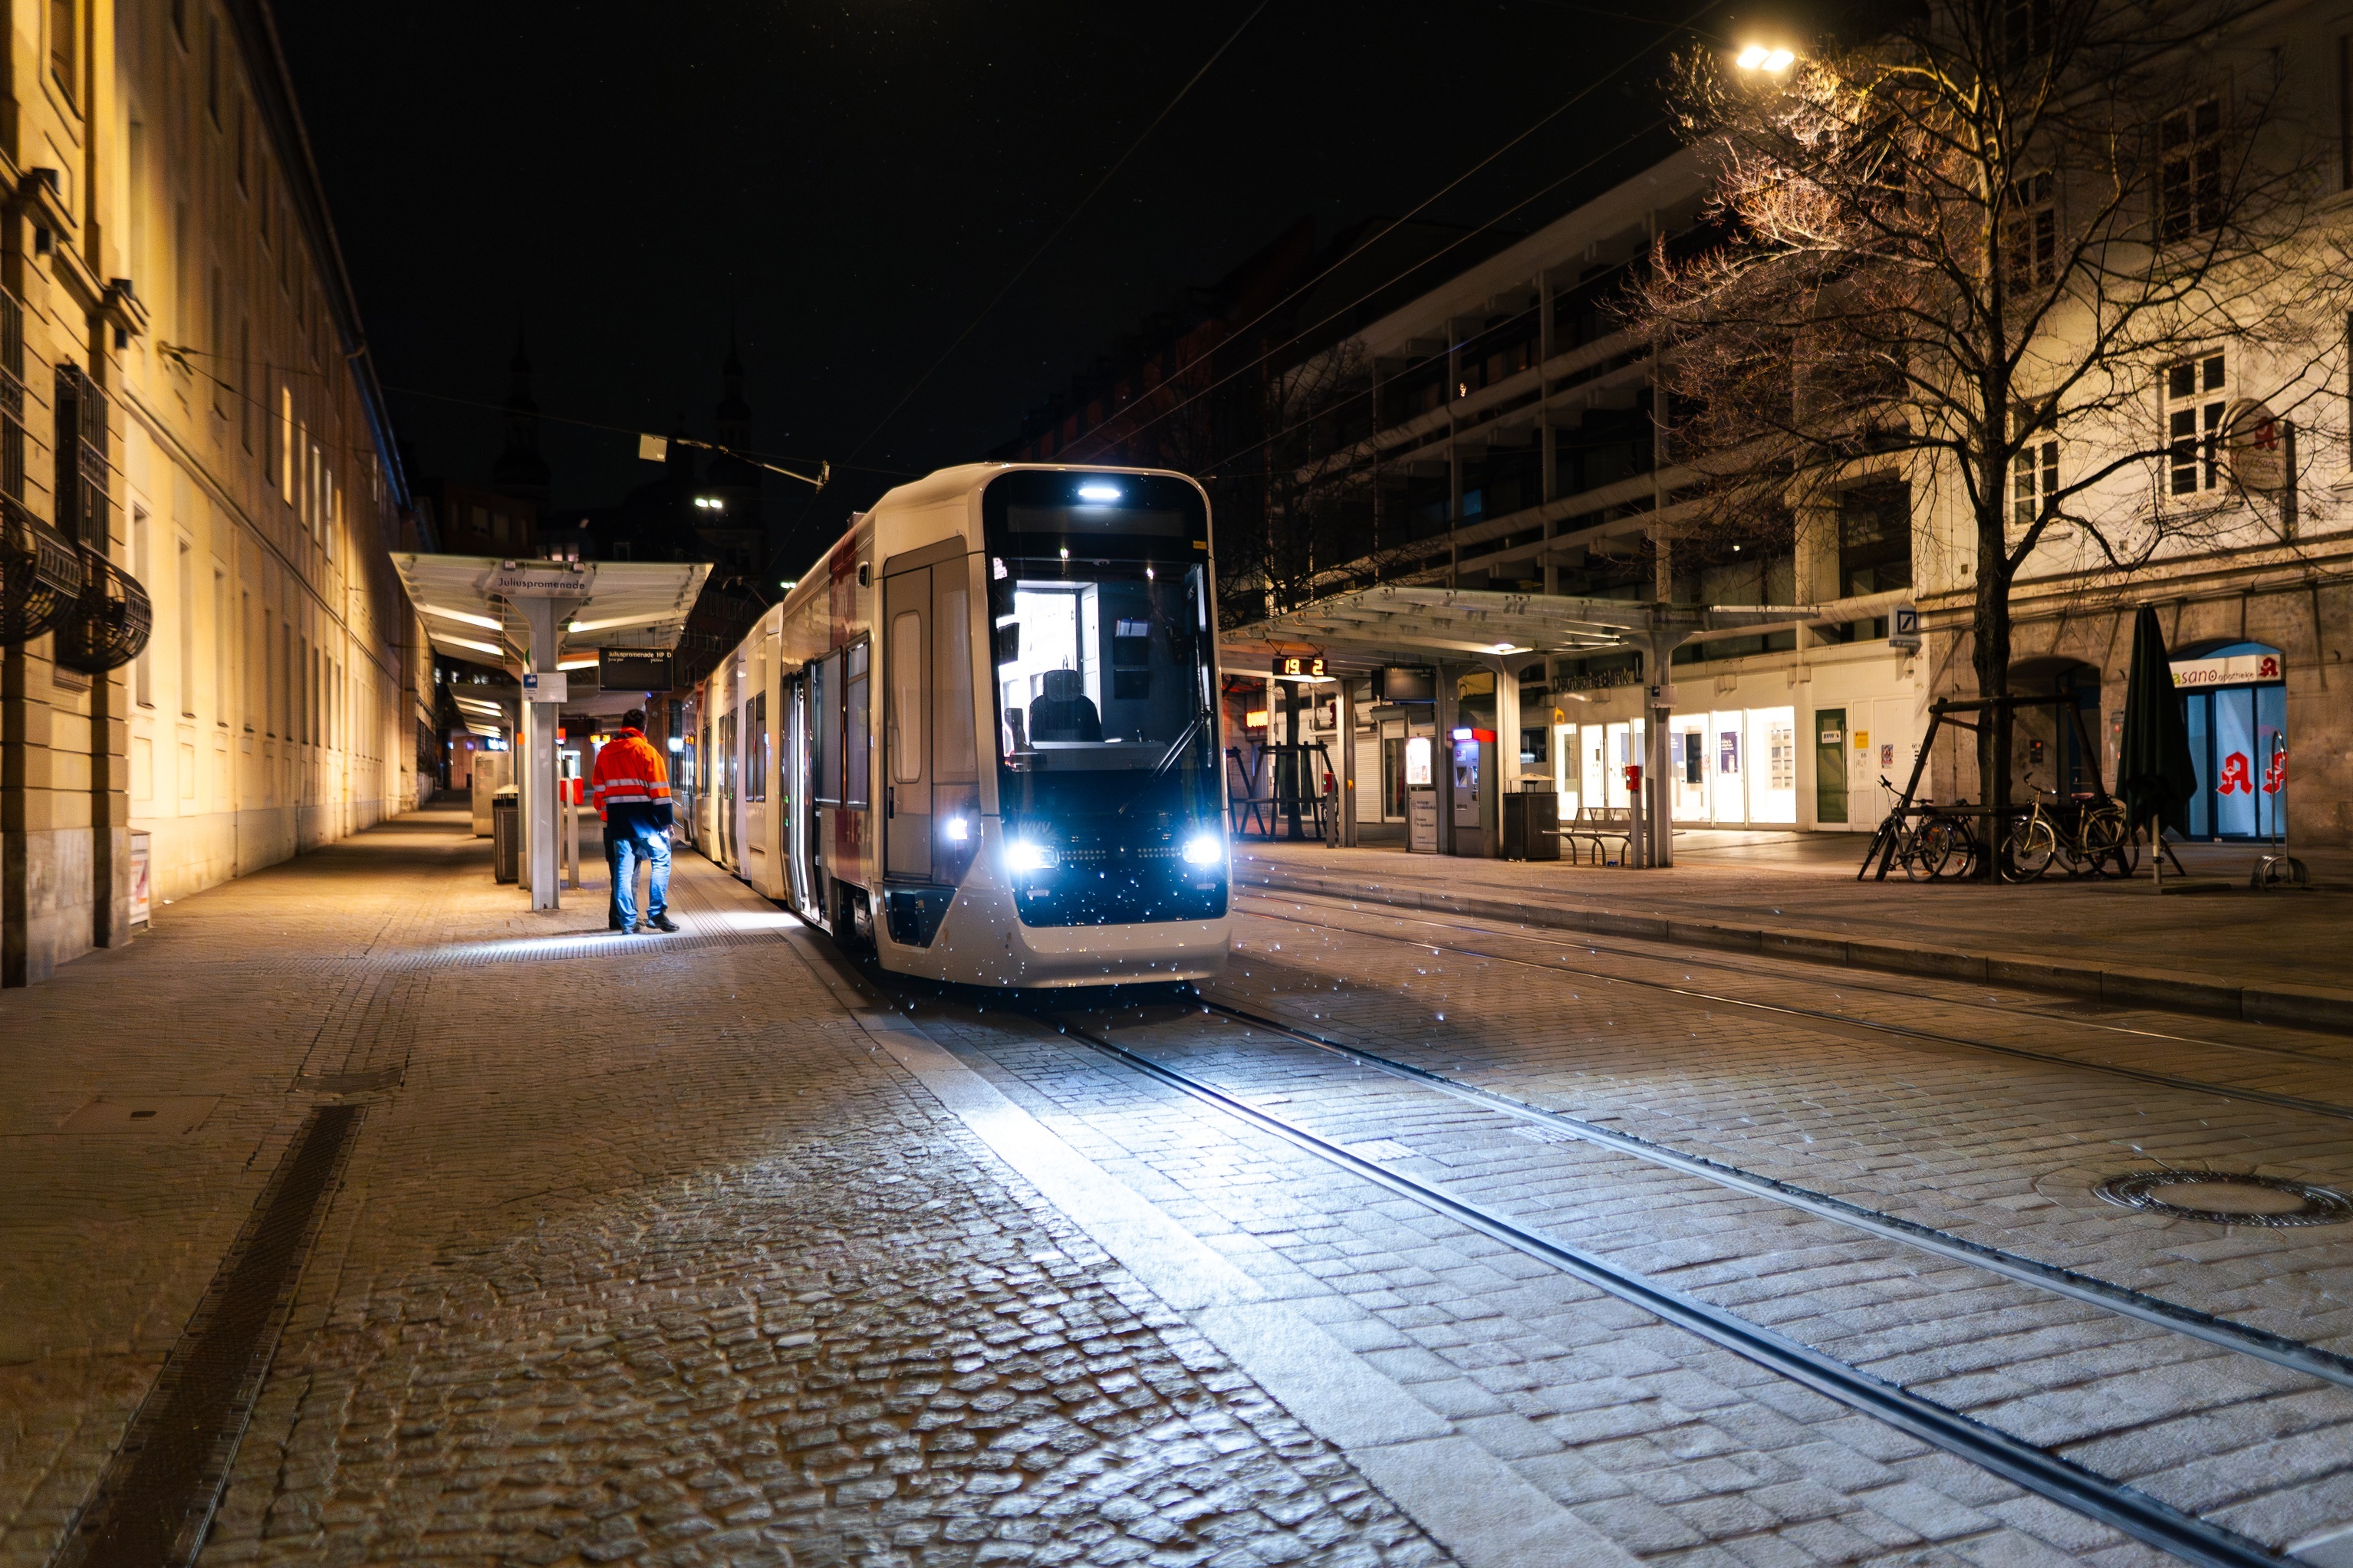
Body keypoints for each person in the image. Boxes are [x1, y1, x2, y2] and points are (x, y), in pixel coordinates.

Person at [591, 708, 678, 933]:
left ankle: (628, 922)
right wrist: (666, 821)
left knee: (623, 870)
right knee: (662, 858)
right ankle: (657, 914)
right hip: (646, 822)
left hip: (618, 822)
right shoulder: (647, 752)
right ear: (643, 729)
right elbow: (660, 791)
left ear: (623, 726)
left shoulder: (605, 753)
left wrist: (606, 813)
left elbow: (599, 791)